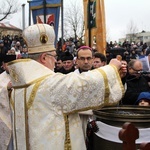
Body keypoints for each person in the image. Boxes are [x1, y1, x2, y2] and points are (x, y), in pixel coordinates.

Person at [7, 24, 124, 150]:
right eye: (54, 56)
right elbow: (84, 84)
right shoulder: (49, 84)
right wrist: (112, 68)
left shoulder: (18, 87)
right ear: (44, 57)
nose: (55, 60)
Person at [0, 54, 16, 150]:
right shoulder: (0, 78)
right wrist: (6, 88)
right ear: (3, 65)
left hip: (18, 113)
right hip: (5, 115)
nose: (10, 66)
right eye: (8, 64)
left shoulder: (21, 76)